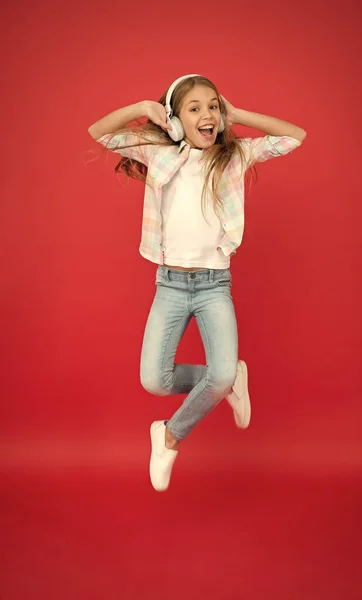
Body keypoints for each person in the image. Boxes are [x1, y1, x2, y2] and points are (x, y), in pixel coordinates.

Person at [88, 74, 307, 492]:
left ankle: (169, 436)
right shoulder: (158, 154)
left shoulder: (236, 155)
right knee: (155, 379)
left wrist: (238, 114)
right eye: (194, 108)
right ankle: (227, 381)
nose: (207, 114)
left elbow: (295, 136)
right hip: (169, 285)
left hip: (214, 286)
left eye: (212, 106)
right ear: (175, 121)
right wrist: (141, 109)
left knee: (219, 375)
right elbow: (99, 133)